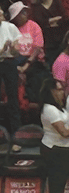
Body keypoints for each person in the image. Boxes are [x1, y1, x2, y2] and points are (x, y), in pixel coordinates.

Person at [31, 0, 69, 64]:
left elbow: (64, 19)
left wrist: (48, 23)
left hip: (61, 35)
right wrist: (51, 21)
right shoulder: (36, 6)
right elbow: (38, 23)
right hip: (46, 38)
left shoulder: (58, 2)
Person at [0, 11, 19, 141]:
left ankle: (16, 135)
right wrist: (2, 49)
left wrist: (12, 48)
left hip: (9, 62)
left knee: (13, 98)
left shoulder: (10, 27)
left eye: (2, 13)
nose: (2, 16)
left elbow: (17, 49)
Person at [11, 2, 44, 72]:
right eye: (22, 12)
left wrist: (26, 66)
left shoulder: (34, 26)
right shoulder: (11, 28)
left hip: (33, 60)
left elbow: (37, 48)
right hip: (17, 60)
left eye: (25, 11)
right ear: (16, 16)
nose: (25, 13)